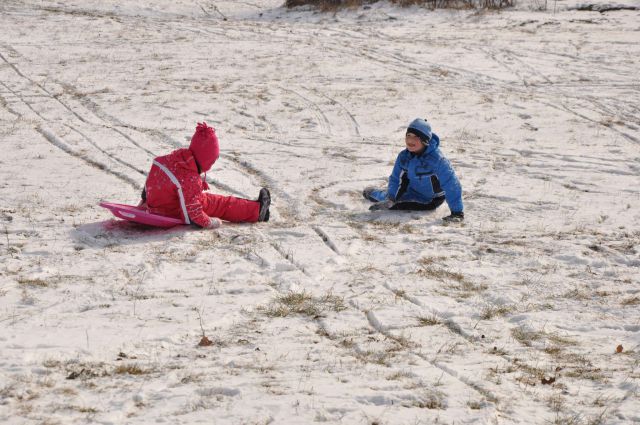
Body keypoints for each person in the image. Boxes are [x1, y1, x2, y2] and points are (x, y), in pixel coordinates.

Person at [138, 122, 270, 229]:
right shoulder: (190, 178)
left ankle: (253, 207)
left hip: (159, 204)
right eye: (212, 161)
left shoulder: (172, 160)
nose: (211, 165)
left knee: (213, 199)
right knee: (221, 204)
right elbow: (194, 215)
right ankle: (257, 212)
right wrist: (212, 222)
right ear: (205, 160)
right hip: (175, 210)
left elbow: (157, 173)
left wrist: (146, 198)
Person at [363, 118, 464, 223]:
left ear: (425, 141)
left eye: (416, 137)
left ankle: (383, 197)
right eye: (408, 136)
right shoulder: (404, 156)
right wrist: (391, 198)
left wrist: (457, 212)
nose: (410, 140)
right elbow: (396, 179)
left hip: (430, 200)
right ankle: (378, 194)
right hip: (412, 190)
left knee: (397, 205)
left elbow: (451, 184)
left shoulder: (437, 160)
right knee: (389, 200)